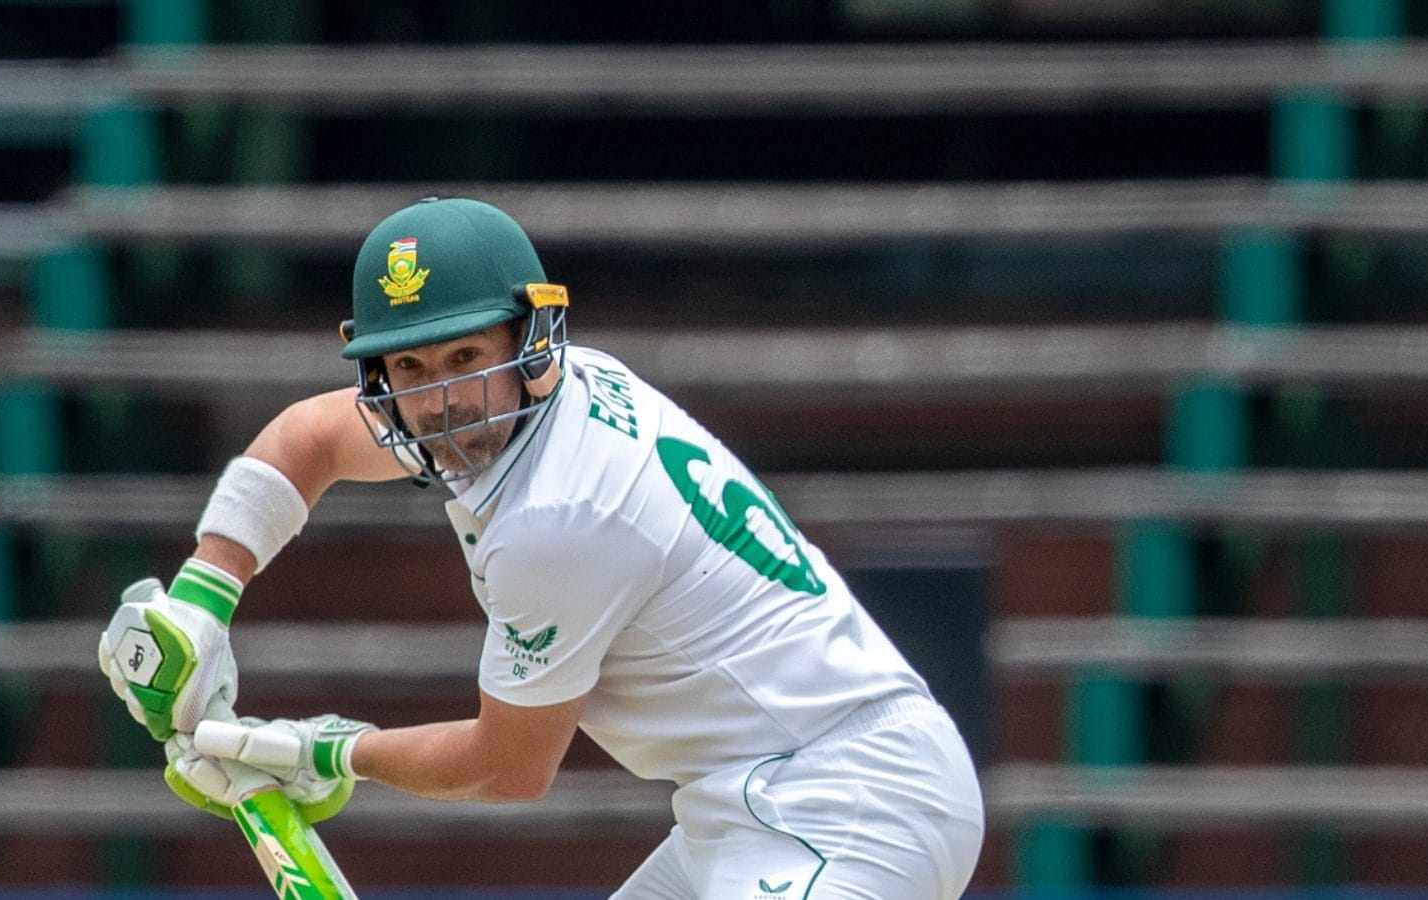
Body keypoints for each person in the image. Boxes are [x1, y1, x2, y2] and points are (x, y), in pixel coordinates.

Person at [97, 197, 984, 898]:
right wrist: (200, 601)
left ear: (531, 344)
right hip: (743, 802)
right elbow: (308, 440)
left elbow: (506, 768)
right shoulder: (547, 396)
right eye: (408, 370)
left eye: (462, 358)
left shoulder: (562, 516)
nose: (441, 402)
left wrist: (319, 752)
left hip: (851, 802)